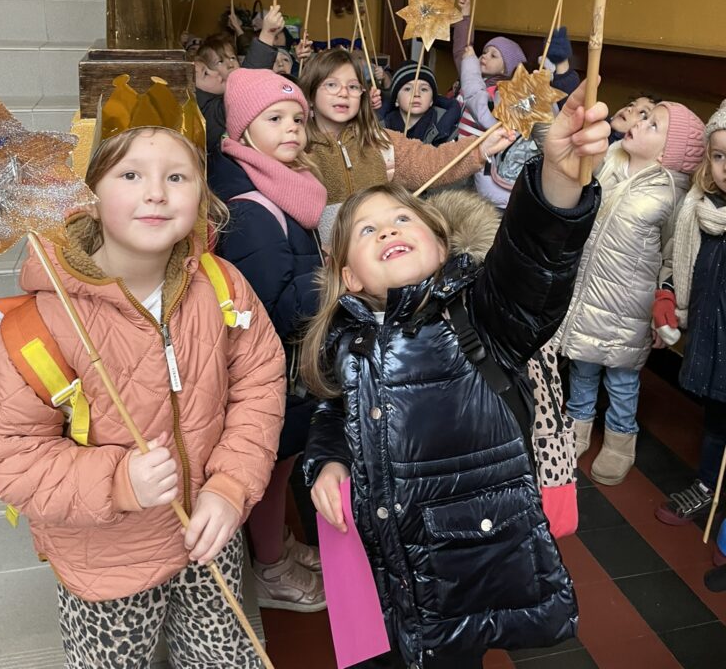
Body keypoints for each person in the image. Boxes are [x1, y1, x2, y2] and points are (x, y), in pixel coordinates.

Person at [301, 81, 609, 668]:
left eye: (401, 219)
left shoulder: (479, 316)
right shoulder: (345, 339)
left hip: (462, 569)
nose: (387, 230)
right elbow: (332, 413)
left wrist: (559, 183)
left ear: (442, 246)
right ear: (350, 278)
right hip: (382, 568)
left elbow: (533, 262)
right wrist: (328, 461)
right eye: (367, 230)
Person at [0, 124, 285, 667]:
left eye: (177, 176)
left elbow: (259, 380)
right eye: (131, 174)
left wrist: (232, 486)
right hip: (105, 559)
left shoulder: (223, 285)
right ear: (89, 199)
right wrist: (117, 482)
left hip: (208, 534)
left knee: (225, 658)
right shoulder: (41, 326)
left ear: (202, 197)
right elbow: (5, 451)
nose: (156, 191)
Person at [209, 69, 327, 612]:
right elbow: (271, 303)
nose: (293, 130)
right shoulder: (254, 209)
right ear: (242, 129)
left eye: (299, 119)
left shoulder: (277, 183)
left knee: (280, 466)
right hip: (274, 366)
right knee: (268, 467)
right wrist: (339, 280)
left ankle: (276, 543)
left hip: (291, 362)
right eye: (275, 119)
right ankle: (272, 567)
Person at [557, 102, 706, 485]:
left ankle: (621, 441)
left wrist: (668, 306)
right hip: (589, 288)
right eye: (643, 116)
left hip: (631, 303)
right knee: (582, 364)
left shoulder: (674, 193)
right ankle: (577, 427)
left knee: (621, 379)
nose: (639, 122)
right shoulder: (608, 161)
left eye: (652, 123)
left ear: (666, 152)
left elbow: (674, 253)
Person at [299, 49, 507, 244]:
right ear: (310, 94)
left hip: (378, 252)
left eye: (353, 86)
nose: (344, 93)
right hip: (321, 260)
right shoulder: (297, 148)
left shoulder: (380, 141)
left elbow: (430, 162)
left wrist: (479, 149)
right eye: (332, 85)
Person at [654, 100, 726, 526]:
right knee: (716, 418)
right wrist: (667, 297)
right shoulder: (698, 211)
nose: (725, 167)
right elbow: (674, 263)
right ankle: (706, 484)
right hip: (711, 335)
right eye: (719, 156)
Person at [194, 4, 289, 157]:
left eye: (233, 58)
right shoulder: (207, 114)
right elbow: (247, 86)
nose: (215, 73)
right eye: (206, 74)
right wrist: (266, 35)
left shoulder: (212, 103)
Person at [380, 61, 461, 144]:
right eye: (407, 89)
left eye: (424, 89)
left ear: (432, 100)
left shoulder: (446, 129)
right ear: (396, 100)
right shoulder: (380, 129)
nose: (416, 94)